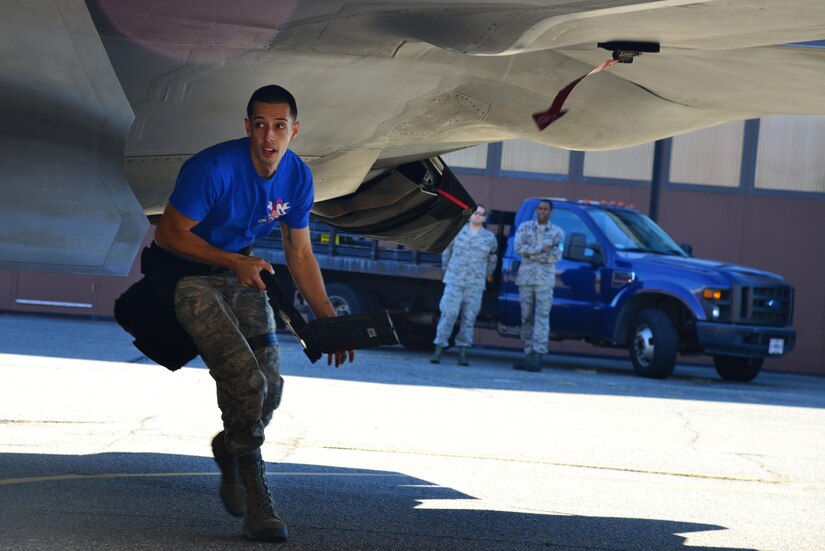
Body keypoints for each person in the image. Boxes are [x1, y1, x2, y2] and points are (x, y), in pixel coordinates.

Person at [153, 85, 354, 543]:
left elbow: (299, 254)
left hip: (241, 271)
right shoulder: (213, 168)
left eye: (280, 126)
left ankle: (231, 447)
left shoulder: (298, 176)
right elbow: (167, 235)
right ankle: (258, 500)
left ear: (294, 130)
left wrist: (329, 322)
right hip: (188, 275)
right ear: (248, 127)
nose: (269, 136)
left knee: (271, 386)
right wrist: (234, 262)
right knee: (246, 381)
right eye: (260, 125)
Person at [430, 205, 498, 366]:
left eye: (481, 214)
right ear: (469, 215)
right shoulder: (457, 232)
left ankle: (463, 352)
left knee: (469, 318)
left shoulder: (489, 238)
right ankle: (438, 349)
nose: (477, 216)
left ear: (484, 218)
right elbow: (446, 255)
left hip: (475, 285)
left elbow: (492, 262)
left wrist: (481, 275)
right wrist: (450, 272)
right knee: (448, 315)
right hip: (454, 281)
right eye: (475, 213)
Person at [513, 200, 564, 372]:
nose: (542, 211)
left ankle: (538, 356)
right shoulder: (525, 227)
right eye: (540, 208)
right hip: (526, 280)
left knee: (542, 318)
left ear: (551, 212)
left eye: (546, 209)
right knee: (526, 317)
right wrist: (540, 249)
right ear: (536, 210)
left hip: (544, 282)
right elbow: (518, 248)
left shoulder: (558, 233)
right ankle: (528, 355)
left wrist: (531, 253)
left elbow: (555, 257)